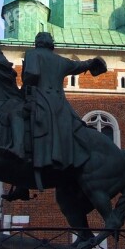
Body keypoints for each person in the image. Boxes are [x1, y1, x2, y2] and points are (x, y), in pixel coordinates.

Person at [17, 32, 106, 191]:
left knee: (18, 120)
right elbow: (78, 66)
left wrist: (26, 86)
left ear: (37, 42)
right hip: (59, 104)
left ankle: (28, 164)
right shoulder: (60, 60)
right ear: (51, 44)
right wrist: (92, 62)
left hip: (40, 99)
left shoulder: (32, 54)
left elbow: (32, 74)